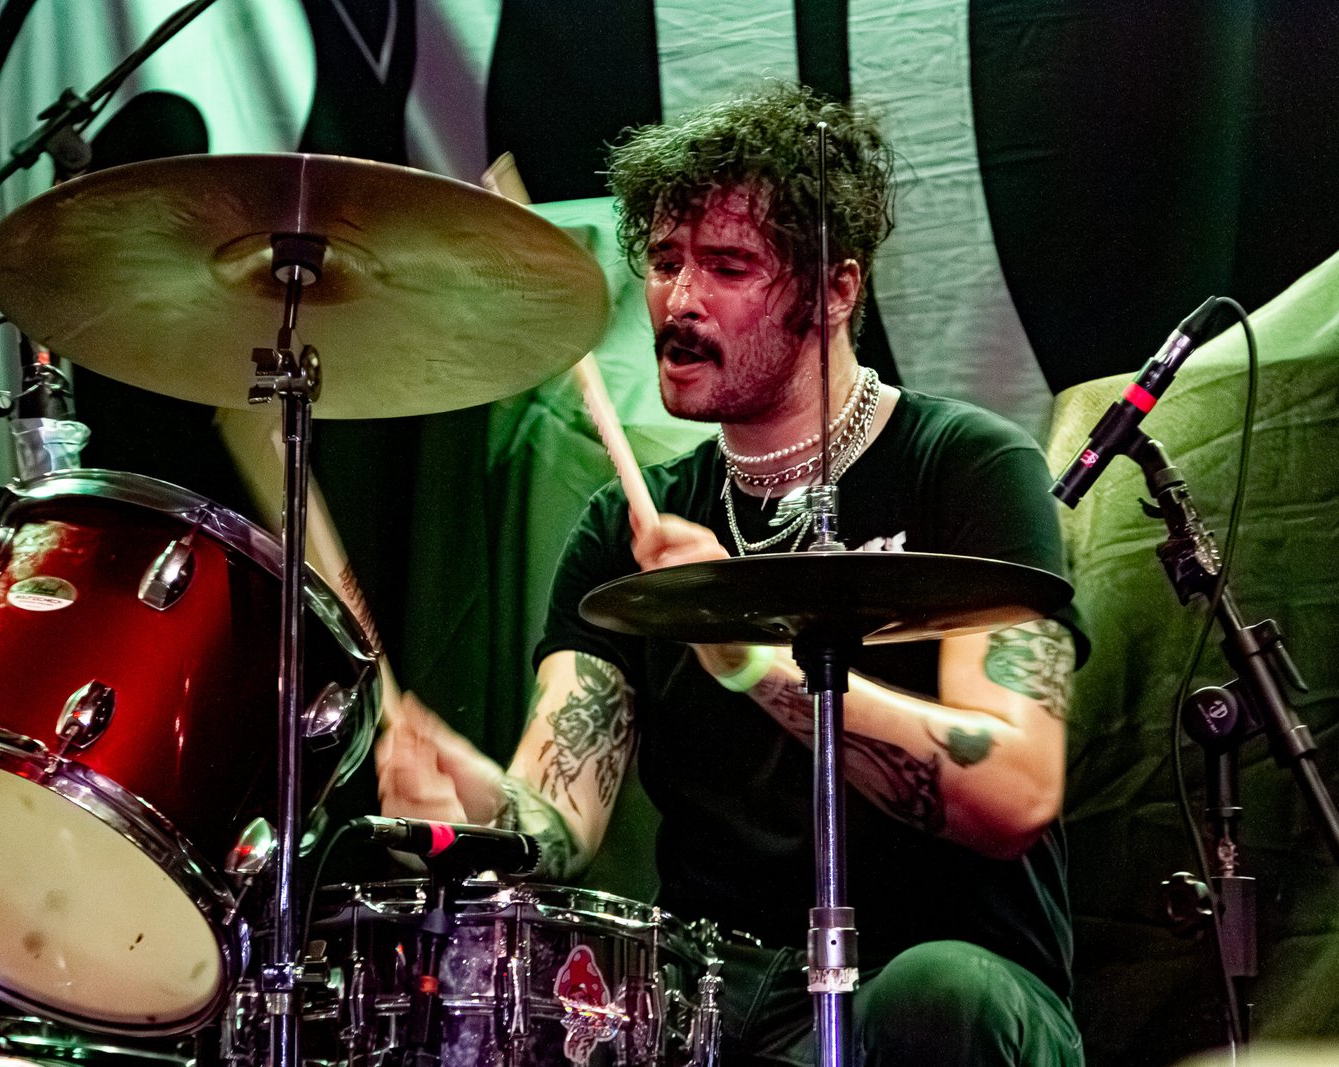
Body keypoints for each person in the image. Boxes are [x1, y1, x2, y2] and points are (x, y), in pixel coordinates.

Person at [377, 81, 1086, 1065]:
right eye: (666, 261)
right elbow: (559, 817)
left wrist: (755, 661)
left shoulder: (968, 468)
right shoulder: (622, 527)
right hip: (719, 998)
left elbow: (1013, 793)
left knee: (940, 991)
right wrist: (474, 808)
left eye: (727, 265)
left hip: (935, 991)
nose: (679, 299)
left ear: (834, 290)